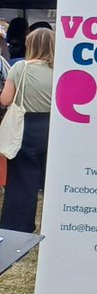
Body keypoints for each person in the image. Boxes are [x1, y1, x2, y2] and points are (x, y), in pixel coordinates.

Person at [0, 28, 54, 232]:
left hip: (25, 126)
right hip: (53, 128)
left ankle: (18, 226)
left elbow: (5, 99)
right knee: (51, 178)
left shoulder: (20, 68)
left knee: (22, 179)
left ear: (30, 45)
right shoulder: (60, 69)